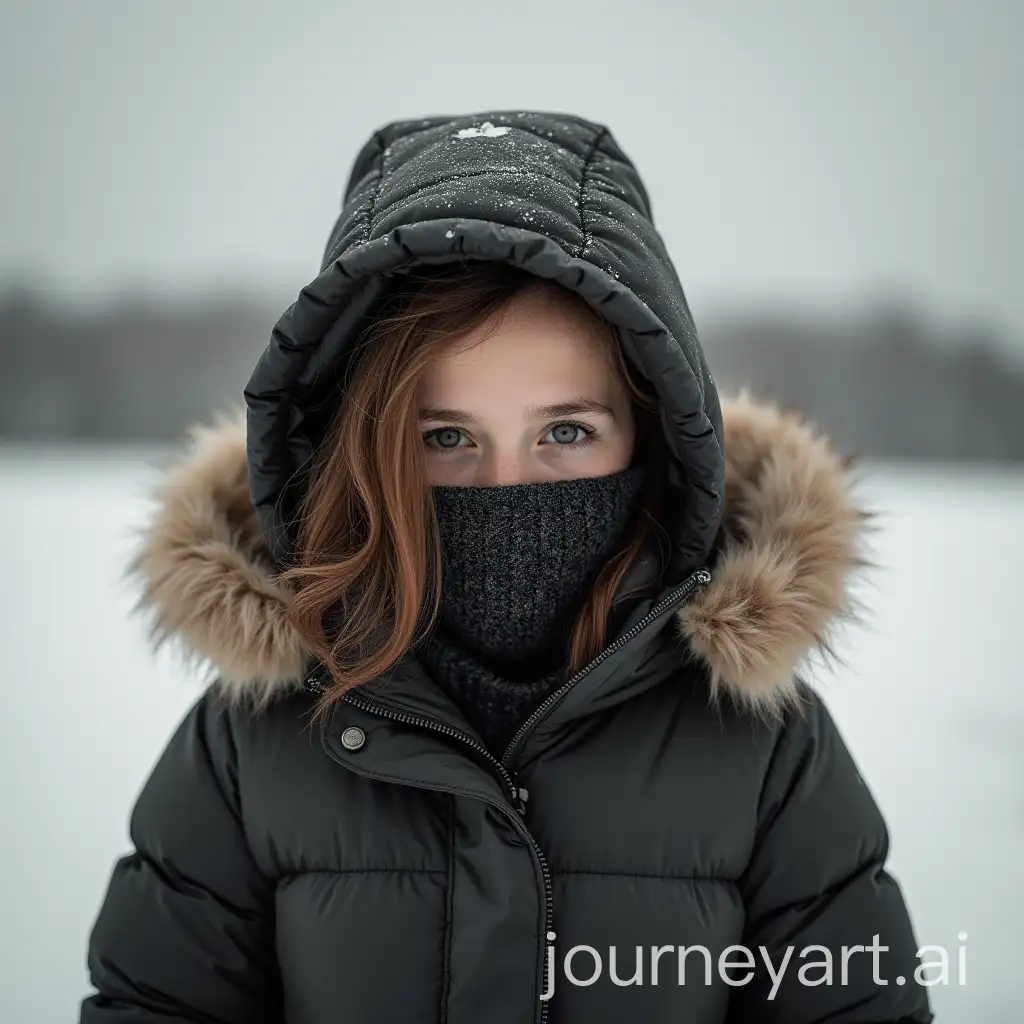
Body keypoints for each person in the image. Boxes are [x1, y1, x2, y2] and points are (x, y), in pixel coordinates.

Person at [80, 110, 933, 1024]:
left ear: (650, 432)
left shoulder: (761, 744)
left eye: (565, 431)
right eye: (445, 438)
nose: (506, 485)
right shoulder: (255, 740)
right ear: (361, 453)